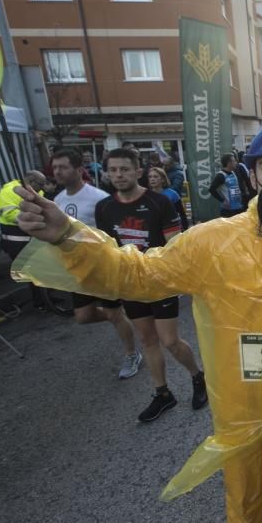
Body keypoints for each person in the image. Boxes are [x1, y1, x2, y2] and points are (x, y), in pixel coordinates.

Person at [13, 122, 262, 523]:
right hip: (241, 405)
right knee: (244, 493)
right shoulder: (212, 242)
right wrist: (70, 237)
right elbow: (137, 275)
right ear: (252, 176)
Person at [81, 148, 206, 422]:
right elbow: (108, 248)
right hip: (129, 284)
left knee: (170, 341)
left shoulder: (159, 202)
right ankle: (163, 394)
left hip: (159, 281)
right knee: (148, 339)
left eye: (124, 169)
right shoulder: (104, 207)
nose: (118, 175)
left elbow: (176, 245)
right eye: (113, 170)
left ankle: (198, 377)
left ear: (138, 171)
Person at [50, 147, 142, 380]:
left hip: (102, 267)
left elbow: (112, 233)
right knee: (82, 316)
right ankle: (122, 316)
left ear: (79, 170)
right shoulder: (57, 200)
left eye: (63, 167)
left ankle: (132, 353)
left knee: (113, 313)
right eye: (55, 167)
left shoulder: (98, 198)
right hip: (78, 269)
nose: (57, 172)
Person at [0, 170, 47, 261]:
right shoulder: (8, 191)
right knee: (23, 269)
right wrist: (32, 217)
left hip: (33, 240)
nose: (43, 188)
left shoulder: (37, 191)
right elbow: (8, 214)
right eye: (41, 184)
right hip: (15, 240)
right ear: (31, 182)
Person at [210, 152, 255, 218]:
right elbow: (211, 189)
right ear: (229, 163)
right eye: (234, 161)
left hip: (239, 207)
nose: (236, 163)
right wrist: (222, 201)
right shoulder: (221, 175)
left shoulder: (233, 172)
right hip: (228, 211)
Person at [148, 166, 190, 232]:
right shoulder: (147, 195)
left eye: (155, 177)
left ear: (163, 179)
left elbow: (182, 214)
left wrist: (185, 230)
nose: (152, 179)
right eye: (150, 177)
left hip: (171, 230)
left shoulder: (172, 194)